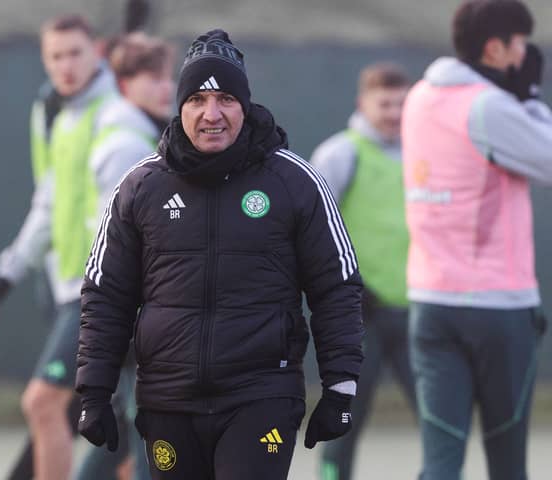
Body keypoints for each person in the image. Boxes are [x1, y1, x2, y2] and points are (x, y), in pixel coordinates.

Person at [74, 29, 365, 480]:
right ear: (181, 106)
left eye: (226, 99)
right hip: (167, 399)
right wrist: (95, 391)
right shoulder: (141, 186)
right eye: (197, 101)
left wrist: (340, 387)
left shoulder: (294, 180)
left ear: (244, 106)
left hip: (261, 394)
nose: (212, 115)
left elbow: (336, 286)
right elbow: (105, 293)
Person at [0, 14, 162, 479]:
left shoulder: (116, 121)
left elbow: (127, 217)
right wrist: (8, 273)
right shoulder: (64, 117)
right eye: (55, 56)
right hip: (72, 287)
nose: (66, 65)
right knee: (123, 414)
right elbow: (49, 202)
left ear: (96, 53)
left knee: (44, 402)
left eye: (75, 53)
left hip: (100, 291)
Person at [401, 1, 551, 478]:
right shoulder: (490, 106)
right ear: (494, 48)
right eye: (520, 44)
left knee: (439, 463)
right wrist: (528, 96)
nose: (524, 53)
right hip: (498, 309)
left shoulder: (420, 96)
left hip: (430, 303)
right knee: (507, 463)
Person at [75, 32, 175, 480]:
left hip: (136, 306)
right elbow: (117, 241)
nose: (166, 87)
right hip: (133, 307)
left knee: (125, 422)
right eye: (152, 78)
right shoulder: (130, 148)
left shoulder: (144, 134)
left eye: (167, 77)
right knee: (145, 424)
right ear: (123, 83)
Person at [311, 62, 416, 480]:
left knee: (440, 414)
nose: (393, 112)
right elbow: (313, 232)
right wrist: (349, 287)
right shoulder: (341, 153)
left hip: (414, 313)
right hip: (359, 317)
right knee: (344, 416)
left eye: (401, 103)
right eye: (385, 103)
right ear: (362, 103)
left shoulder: (424, 152)